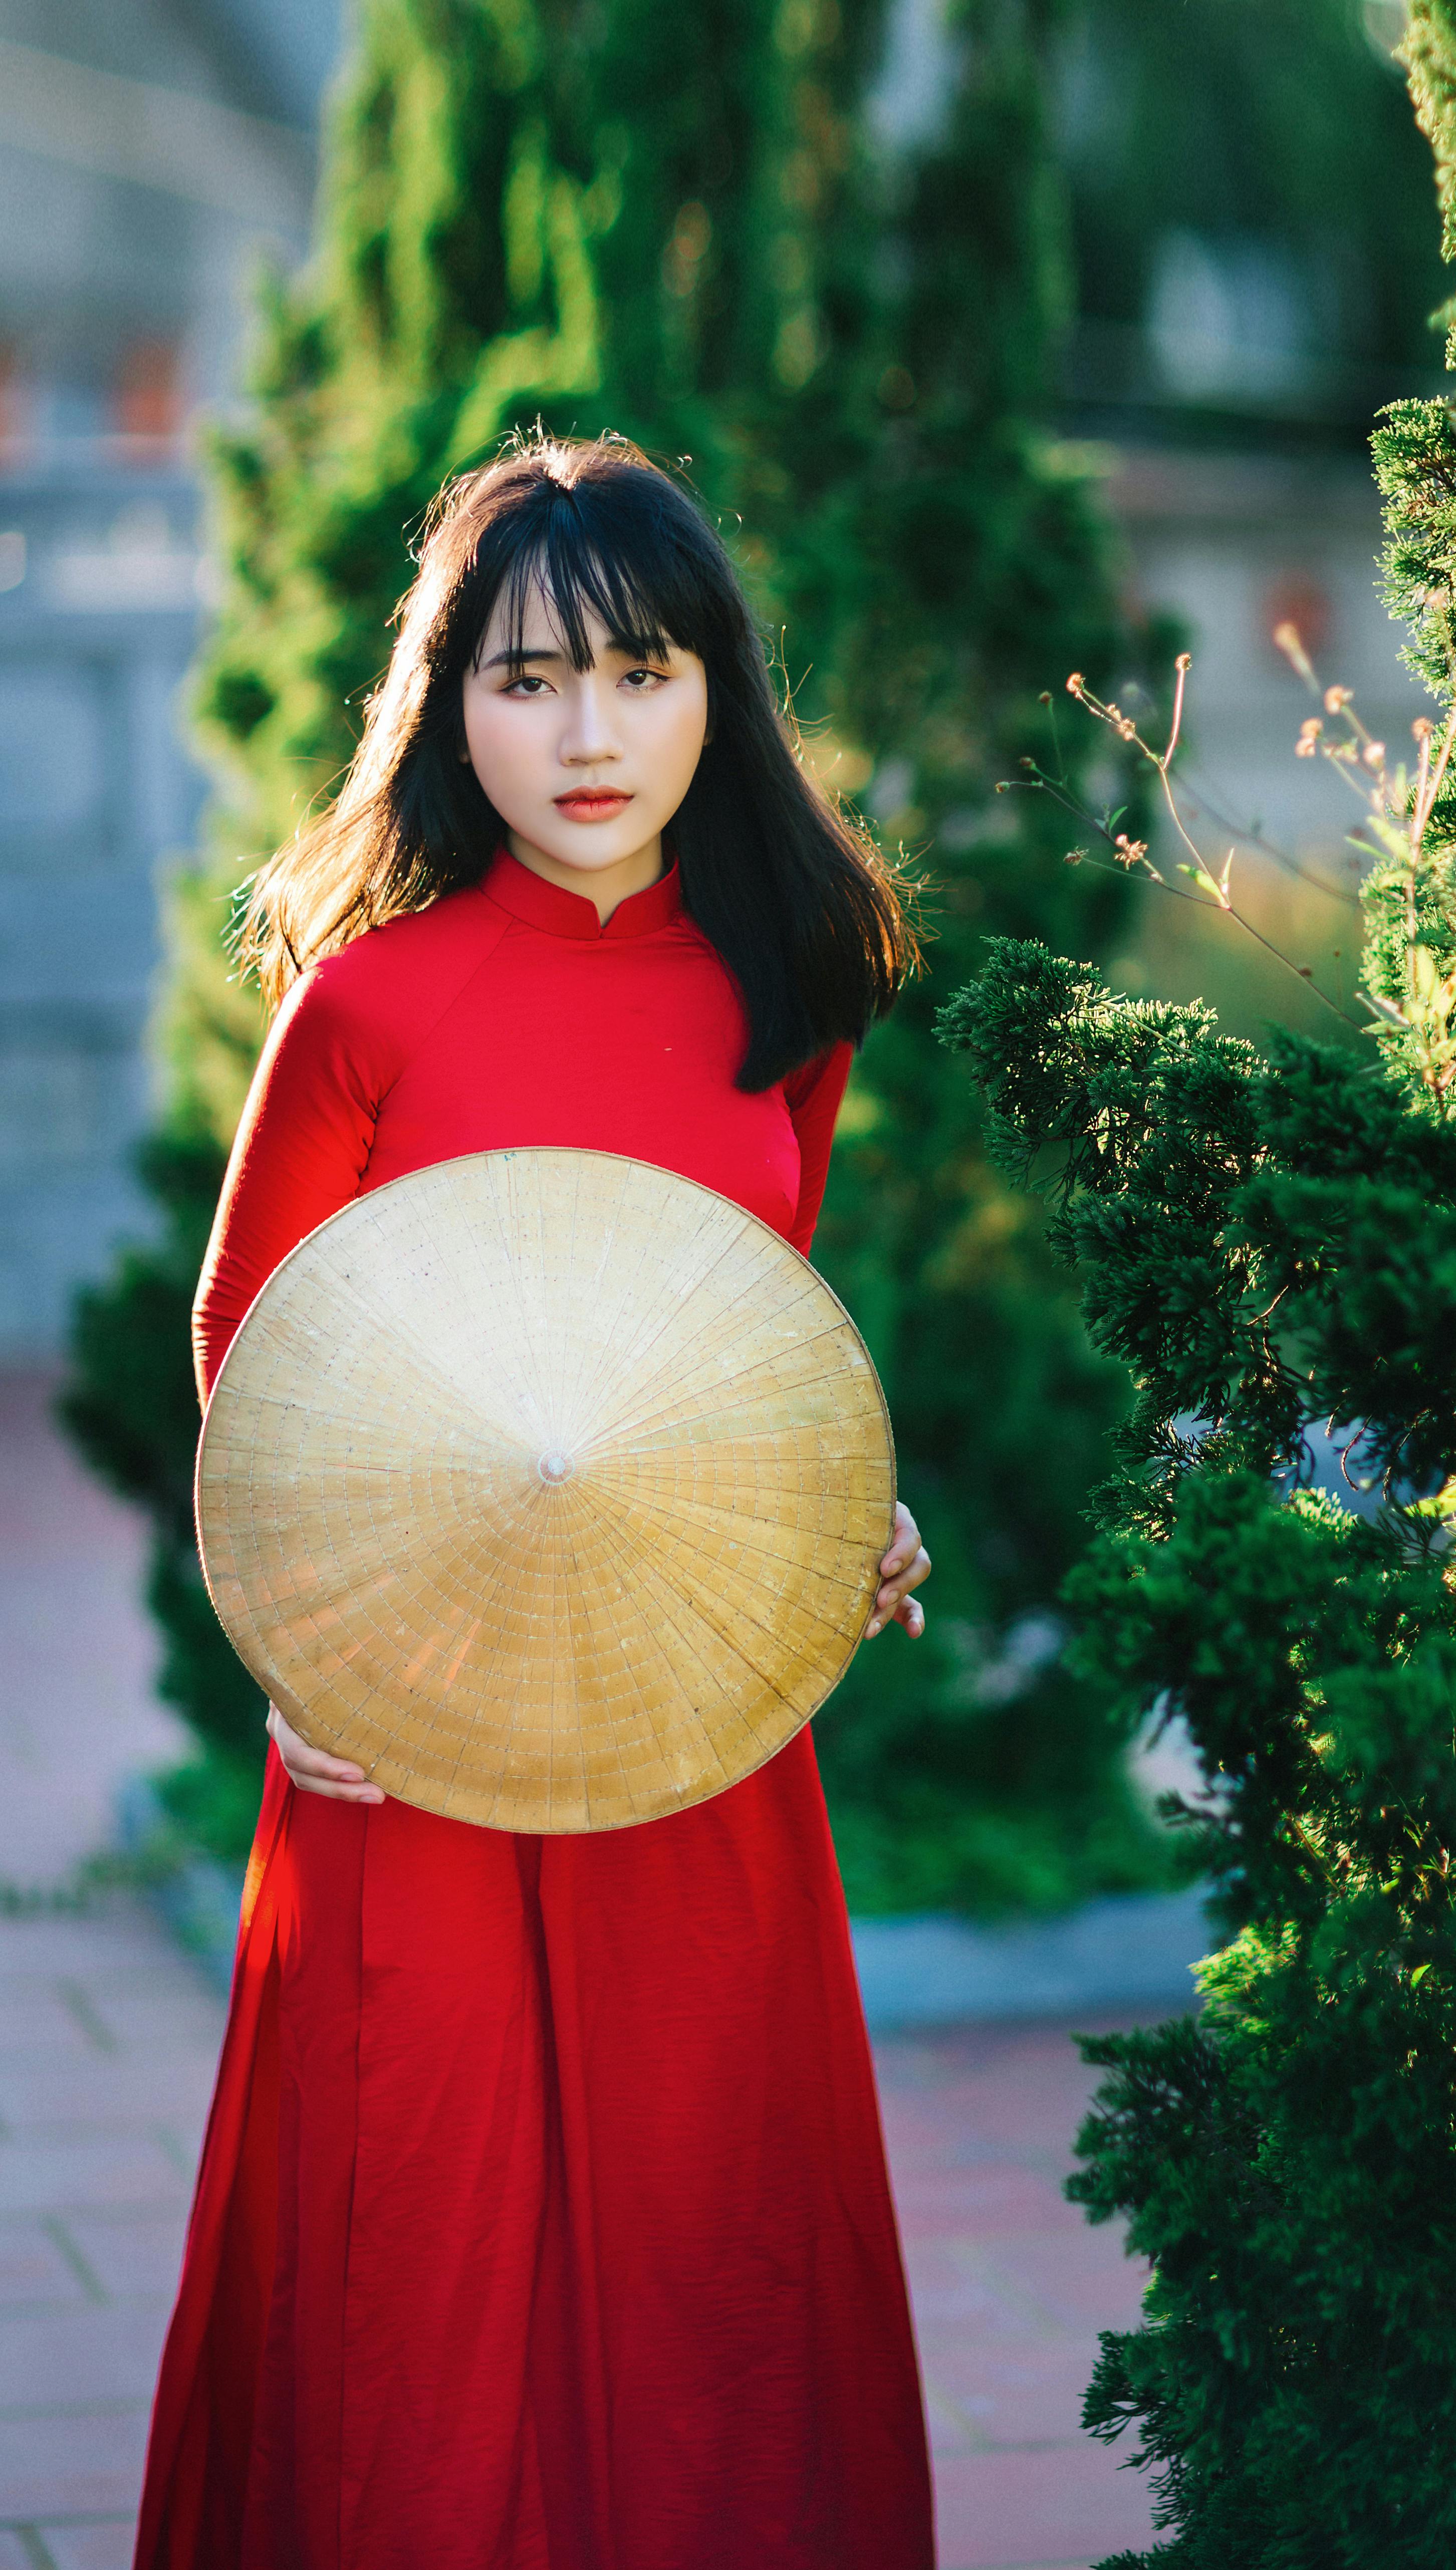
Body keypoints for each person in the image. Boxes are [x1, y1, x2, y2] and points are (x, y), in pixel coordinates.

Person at [133, 435, 936, 2570]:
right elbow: (246, 1352)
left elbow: (743, 1350)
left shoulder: (782, 995)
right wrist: (302, 1644)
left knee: (707, 2279)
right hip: (416, 1733)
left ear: (716, 694)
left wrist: (840, 1517)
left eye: (643, 672)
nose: (587, 735)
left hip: (695, 1735)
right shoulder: (366, 1005)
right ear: (445, 704)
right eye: (526, 679)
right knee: (420, 2288)